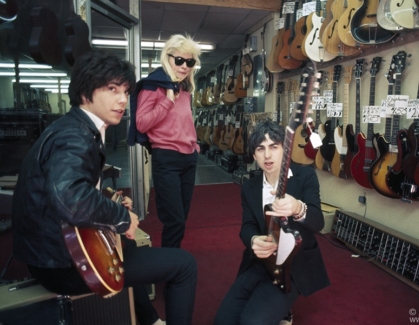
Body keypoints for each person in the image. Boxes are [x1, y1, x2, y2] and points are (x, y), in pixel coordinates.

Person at [11, 50, 197, 325]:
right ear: (86, 92)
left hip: (51, 253)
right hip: (61, 264)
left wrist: (109, 202)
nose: (123, 99)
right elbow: (70, 197)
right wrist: (121, 217)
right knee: (185, 264)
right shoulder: (74, 135)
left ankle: (149, 319)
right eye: (112, 89)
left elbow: (66, 189)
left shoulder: (74, 127)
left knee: (127, 247)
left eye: (124, 90)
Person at [213, 120, 330, 325]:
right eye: (261, 149)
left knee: (251, 322)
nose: (267, 155)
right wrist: (253, 240)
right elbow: (247, 226)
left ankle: (283, 309)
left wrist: (297, 208)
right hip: (259, 263)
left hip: (293, 266)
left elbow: (318, 222)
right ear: (254, 154)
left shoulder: (305, 176)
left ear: (285, 149)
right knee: (222, 321)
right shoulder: (250, 186)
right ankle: (279, 310)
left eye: (274, 147)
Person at [135, 34, 201, 248]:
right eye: (179, 60)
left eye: (190, 62)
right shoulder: (153, 86)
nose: (184, 66)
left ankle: (172, 258)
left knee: (181, 218)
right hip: (167, 158)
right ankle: (170, 263)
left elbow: (185, 122)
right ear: (168, 58)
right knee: (174, 220)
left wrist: (195, 145)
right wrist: (166, 101)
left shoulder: (184, 89)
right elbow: (141, 123)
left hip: (189, 158)